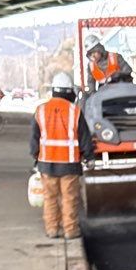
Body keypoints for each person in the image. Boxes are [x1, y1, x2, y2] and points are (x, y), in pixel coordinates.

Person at [30, 72, 94, 239]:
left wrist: (35, 157)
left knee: (50, 198)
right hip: (69, 164)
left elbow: (34, 139)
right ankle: (70, 230)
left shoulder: (41, 111)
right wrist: (89, 157)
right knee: (69, 198)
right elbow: (84, 137)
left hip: (46, 164)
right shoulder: (75, 112)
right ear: (69, 91)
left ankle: (52, 229)